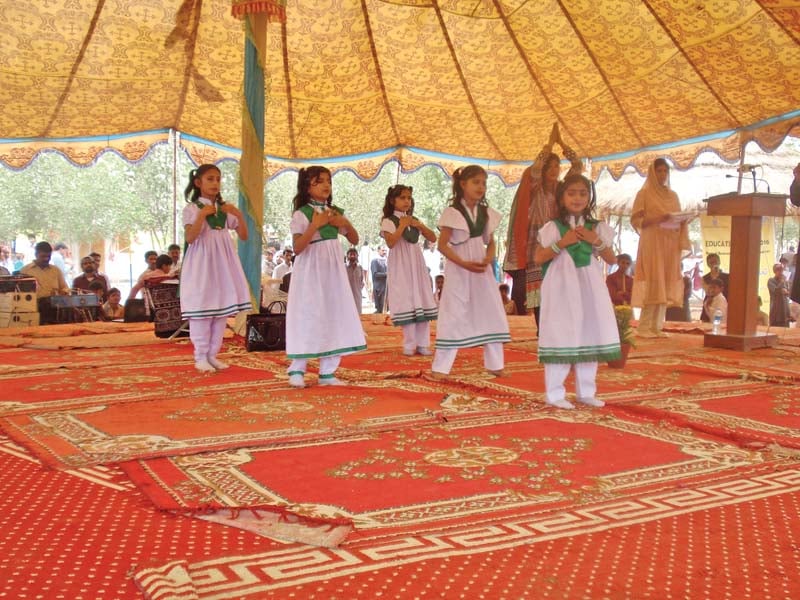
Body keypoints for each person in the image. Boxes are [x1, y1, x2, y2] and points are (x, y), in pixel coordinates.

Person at [533, 173, 620, 410]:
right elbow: (539, 257)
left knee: (589, 331)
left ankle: (586, 391)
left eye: (583, 193)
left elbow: (612, 259)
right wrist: (562, 243)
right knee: (561, 333)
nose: (578, 198)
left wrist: (596, 241)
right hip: (560, 286)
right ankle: (554, 393)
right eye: (571, 193)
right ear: (561, 198)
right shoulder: (553, 227)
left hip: (590, 287)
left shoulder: (596, 227)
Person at [285, 166, 366, 387]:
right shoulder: (302, 213)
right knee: (307, 313)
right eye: (318, 181)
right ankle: (297, 369)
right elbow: (298, 247)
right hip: (310, 272)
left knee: (333, 313)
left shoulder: (335, 211)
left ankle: (328, 372)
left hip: (333, 272)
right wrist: (314, 226)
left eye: (328, 181)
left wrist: (345, 224)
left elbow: (355, 239)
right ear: (307, 187)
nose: (325, 185)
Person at [432, 165, 510, 377]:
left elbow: (491, 242)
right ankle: (440, 367)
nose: (481, 187)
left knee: (491, 309)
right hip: (459, 269)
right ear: (463, 184)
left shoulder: (485, 213)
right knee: (454, 311)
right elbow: (442, 245)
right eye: (476, 182)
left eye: (484, 183)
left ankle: (496, 365)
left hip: (481, 270)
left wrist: (489, 257)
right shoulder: (452, 212)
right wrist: (464, 263)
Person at [503, 122, 583, 321]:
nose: (555, 169)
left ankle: (557, 325)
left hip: (558, 241)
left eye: (558, 166)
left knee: (557, 283)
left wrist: (562, 143)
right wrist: (549, 145)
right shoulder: (536, 187)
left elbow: (578, 166)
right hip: (536, 242)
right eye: (552, 166)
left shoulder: (562, 189)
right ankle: (542, 328)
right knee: (538, 286)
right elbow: (535, 169)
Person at [180, 164, 252, 372]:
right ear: (198, 183)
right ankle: (200, 355)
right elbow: (190, 238)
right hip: (202, 265)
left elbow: (245, 236)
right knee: (203, 309)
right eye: (210, 179)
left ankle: (212, 354)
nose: (215, 183)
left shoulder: (225, 209)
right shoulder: (192, 209)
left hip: (223, 265)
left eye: (218, 179)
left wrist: (238, 214)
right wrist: (202, 216)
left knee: (220, 311)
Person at [630, 158, 691, 338]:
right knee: (653, 280)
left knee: (665, 280)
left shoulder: (673, 196)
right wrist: (657, 219)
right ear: (652, 172)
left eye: (665, 171)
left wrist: (683, 220)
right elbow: (636, 221)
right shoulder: (644, 194)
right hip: (652, 243)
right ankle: (644, 327)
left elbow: (677, 218)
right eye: (659, 171)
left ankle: (656, 327)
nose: (663, 175)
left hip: (670, 244)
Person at [380, 185, 438, 356]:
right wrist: (402, 226)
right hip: (401, 264)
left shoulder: (414, 219)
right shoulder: (388, 220)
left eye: (409, 198)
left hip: (416, 263)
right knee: (407, 300)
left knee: (421, 298)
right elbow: (391, 243)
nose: (407, 201)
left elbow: (433, 237)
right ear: (392, 201)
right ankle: (409, 344)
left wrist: (419, 225)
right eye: (402, 198)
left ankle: (423, 343)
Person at [767, 263, 791, 327]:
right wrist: (782, 282)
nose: (781, 272)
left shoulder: (785, 281)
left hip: (785, 312)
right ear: (775, 271)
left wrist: (787, 291)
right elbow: (776, 291)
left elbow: (788, 294)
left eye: (782, 270)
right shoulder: (771, 280)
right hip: (776, 313)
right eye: (779, 270)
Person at [344, 247, 365, 313]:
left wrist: (357, 289)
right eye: (351, 254)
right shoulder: (343, 267)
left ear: (357, 256)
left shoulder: (360, 268)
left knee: (358, 316)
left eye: (354, 254)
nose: (352, 256)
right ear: (347, 256)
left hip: (357, 297)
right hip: (346, 297)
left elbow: (362, 282)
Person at [370, 246, 388, 313]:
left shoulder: (386, 260)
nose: (384, 252)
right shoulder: (375, 261)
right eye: (383, 250)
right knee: (380, 309)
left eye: (385, 250)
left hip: (385, 287)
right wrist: (386, 274)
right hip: (379, 288)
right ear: (378, 250)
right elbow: (375, 274)